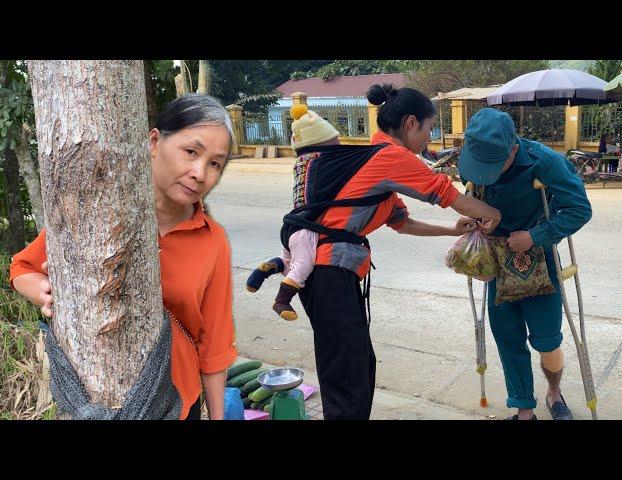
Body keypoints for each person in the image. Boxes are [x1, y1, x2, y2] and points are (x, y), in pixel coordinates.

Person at [279, 83, 501, 420]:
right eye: (429, 129)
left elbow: (400, 221)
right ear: (411, 124)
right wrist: (491, 213)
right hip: (328, 275)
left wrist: (452, 230)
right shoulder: (390, 157)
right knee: (346, 374)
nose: (430, 138)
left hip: (333, 276)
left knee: (357, 364)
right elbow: (445, 194)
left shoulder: (375, 157)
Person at [9, 93, 237, 420]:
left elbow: (214, 346)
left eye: (215, 163)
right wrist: (43, 291)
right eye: (191, 152)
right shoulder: (98, 215)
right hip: (93, 401)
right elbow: (22, 269)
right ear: (154, 142)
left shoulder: (213, 241)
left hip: (176, 407)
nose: (200, 173)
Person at [458, 108, 592, 420]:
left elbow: (579, 209)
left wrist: (535, 236)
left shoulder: (544, 160)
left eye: (493, 166)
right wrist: (481, 219)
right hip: (497, 260)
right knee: (508, 338)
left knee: (547, 339)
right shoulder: (471, 162)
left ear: (514, 148)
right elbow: (473, 197)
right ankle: (524, 411)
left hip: (538, 256)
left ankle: (554, 393)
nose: (484, 173)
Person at [245, 105, 340, 321]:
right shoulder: (324, 162)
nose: (339, 145)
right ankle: (282, 300)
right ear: (321, 143)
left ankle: (266, 269)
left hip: (292, 225)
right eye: (335, 142)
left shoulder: (302, 162)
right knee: (303, 265)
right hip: (307, 227)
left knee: (288, 258)